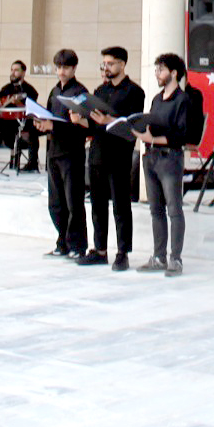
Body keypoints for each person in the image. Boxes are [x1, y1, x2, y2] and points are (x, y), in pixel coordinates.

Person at [133, 53, 203, 277]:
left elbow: (181, 135)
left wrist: (151, 139)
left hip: (170, 158)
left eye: (161, 70)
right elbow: (153, 126)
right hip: (151, 156)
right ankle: (158, 255)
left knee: (174, 209)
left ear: (173, 73)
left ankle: (176, 258)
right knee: (156, 210)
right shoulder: (156, 99)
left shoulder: (183, 100)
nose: (157, 74)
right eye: (156, 70)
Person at [75, 46, 145, 270]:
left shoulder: (134, 92)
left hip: (119, 154)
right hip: (97, 153)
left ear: (123, 64)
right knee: (97, 204)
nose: (107, 68)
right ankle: (100, 249)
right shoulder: (100, 90)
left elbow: (133, 126)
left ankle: (123, 252)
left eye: (111, 63)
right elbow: (94, 122)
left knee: (121, 206)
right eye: (105, 63)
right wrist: (81, 120)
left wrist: (109, 121)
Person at [34, 49, 90, 258]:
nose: (61, 71)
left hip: (72, 152)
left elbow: (83, 126)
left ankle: (77, 245)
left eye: (65, 67)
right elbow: (50, 117)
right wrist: (42, 124)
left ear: (74, 68)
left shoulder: (80, 92)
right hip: (54, 151)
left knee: (73, 201)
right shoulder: (54, 91)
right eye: (58, 67)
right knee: (55, 202)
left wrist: (54, 126)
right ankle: (62, 242)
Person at [0, 60, 40, 171]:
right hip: (6, 121)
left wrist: (18, 103)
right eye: (12, 70)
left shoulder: (30, 90)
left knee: (33, 129)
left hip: (22, 121)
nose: (13, 73)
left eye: (16, 70)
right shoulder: (6, 88)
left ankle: (32, 163)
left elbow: (31, 109)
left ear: (23, 73)